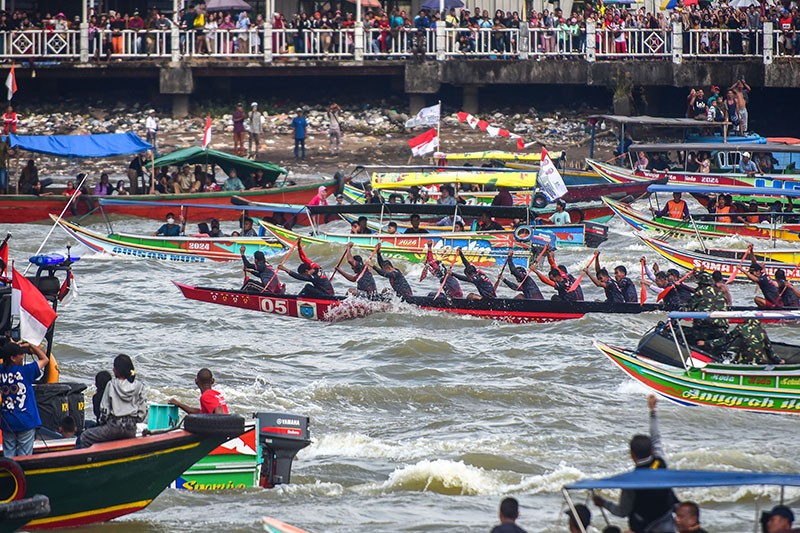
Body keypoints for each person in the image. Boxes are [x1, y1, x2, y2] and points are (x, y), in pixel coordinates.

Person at [592, 395, 678, 533]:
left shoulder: (631, 482)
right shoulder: (660, 461)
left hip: (645, 528)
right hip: (667, 523)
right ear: (651, 450)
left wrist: (603, 503)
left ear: (631, 454)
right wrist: (652, 411)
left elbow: (622, 511)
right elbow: (656, 438)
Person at [77, 354, 147, 448]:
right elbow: (143, 411)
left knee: (85, 436)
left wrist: (103, 423)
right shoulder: (139, 386)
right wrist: (134, 420)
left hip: (113, 427)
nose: (113, 369)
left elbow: (104, 410)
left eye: (114, 367)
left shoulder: (111, 385)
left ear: (117, 370)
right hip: (131, 428)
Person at [0, 341, 48, 457]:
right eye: (20, 354)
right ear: (13, 358)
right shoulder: (26, 371)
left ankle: (9, 473)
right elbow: (45, 359)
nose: (23, 357)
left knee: (8, 455)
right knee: (24, 456)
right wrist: (32, 346)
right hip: (26, 420)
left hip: (7, 421)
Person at [698, 319, 781, 365]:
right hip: (761, 361)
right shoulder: (762, 331)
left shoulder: (741, 328)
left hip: (745, 361)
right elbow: (769, 349)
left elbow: (725, 340)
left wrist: (706, 343)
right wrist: (778, 361)